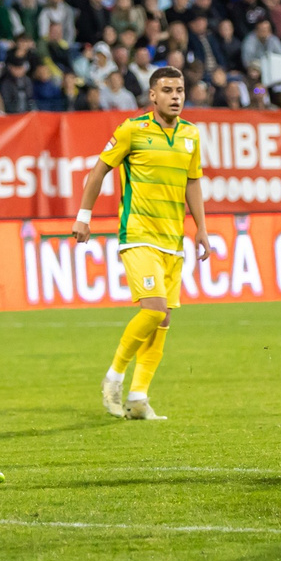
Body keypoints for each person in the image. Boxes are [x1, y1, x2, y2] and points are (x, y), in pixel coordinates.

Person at [71, 65, 211, 422]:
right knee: (152, 309)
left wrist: (201, 229)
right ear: (152, 95)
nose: (175, 96)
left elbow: (192, 182)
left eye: (179, 90)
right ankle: (114, 378)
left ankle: (138, 397)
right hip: (137, 235)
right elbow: (99, 169)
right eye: (167, 90)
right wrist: (83, 217)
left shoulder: (191, 136)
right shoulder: (132, 130)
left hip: (172, 240)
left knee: (162, 320)